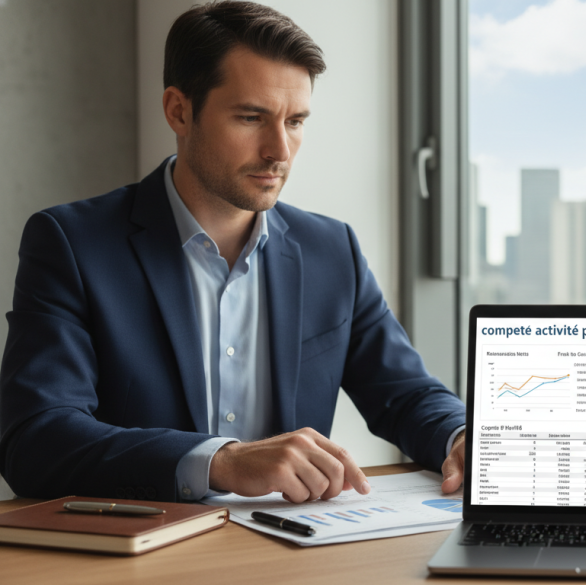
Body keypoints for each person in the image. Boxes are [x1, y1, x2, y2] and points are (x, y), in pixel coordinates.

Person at [0, 1, 466, 504]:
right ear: (179, 110)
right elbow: (36, 440)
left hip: (292, 553)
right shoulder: (73, 244)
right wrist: (219, 461)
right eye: (251, 117)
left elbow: (409, 395)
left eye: (295, 122)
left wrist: (462, 439)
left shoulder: (332, 251)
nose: (279, 151)